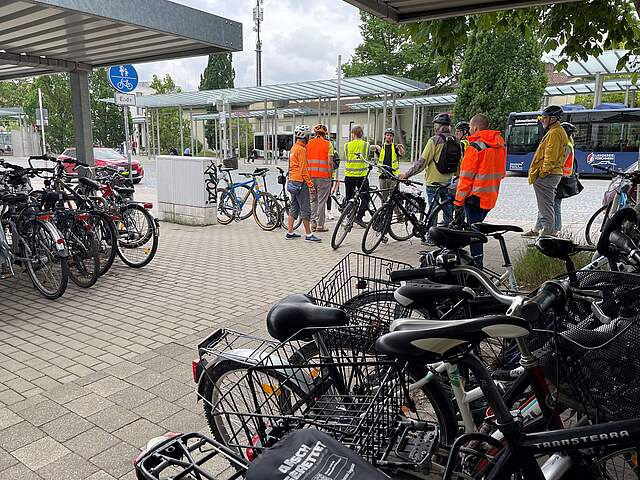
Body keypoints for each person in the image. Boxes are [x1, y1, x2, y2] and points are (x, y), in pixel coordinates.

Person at [453, 114, 507, 267]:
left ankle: (477, 268)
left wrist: (458, 201)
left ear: (475, 128)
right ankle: (474, 263)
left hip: (474, 198)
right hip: (490, 197)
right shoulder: (499, 145)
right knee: (476, 229)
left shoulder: (475, 146)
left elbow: (466, 178)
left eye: (470, 128)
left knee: (474, 235)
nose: (469, 130)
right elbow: (501, 172)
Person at [400, 113, 458, 220]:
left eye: (435, 125)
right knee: (448, 208)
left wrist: (406, 175)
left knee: (433, 209)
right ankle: (447, 230)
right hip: (448, 182)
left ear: (438, 126)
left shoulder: (434, 140)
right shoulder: (456, 140)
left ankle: (432, 233)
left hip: (433, 183)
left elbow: (422, 163)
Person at [523, 105, 568, 237]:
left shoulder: (555, 133)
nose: (542, 120)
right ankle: (546, 233)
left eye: (544, 118)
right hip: (551, 174)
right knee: (546, 205)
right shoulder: (556, 131)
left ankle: (547, 235)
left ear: (553, 118)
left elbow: (550, 156)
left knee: (546, 206)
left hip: (548, 175)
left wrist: (542, 173)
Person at [531, 122, 576, 235]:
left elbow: (558, 161)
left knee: (552, 205)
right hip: (560, 178)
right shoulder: (568, 144)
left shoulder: (567, 146)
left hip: (559, 179)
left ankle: (554, 230)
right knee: (548, 204)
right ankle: (541, 228)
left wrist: (543, 173)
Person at [286, 125, 321, 242]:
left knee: (294, 206)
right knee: (305, 209)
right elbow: (304, 170)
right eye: (308, 136)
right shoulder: (301, 150)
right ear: (304, 137)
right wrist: (310, 184)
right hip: (301, 182)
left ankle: (290, 232)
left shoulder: (294, 148)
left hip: (292, 181)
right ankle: (308, 234)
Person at [307, 124, 334, 232]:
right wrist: (330, 176)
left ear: (315, 133)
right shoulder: (328, 144)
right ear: (325, 134)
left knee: (313, 200)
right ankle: (320, 225)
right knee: (322, 201)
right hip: (324, 177)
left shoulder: (308, 144)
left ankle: (312, 223)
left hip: (310, 176)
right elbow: (330, 162)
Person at [343, 125, 370, 227]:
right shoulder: (366, 145)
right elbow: (366, 156)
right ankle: (359, 217)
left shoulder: (347, 145)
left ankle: (349, 217)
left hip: (349, 175)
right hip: (361, 176)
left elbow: (346, 157)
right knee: (365, 197)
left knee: (349, 197)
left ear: (353, 134)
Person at [375, 128, 405, 202]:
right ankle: (385, 213)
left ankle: (397, 213)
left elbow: (402, 154)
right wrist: (375, 147)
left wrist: (400, 148)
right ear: (385, 136)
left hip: (393, 176)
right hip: (383, 176)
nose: (389, 137)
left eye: (390, 135)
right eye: (387, 135)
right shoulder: (381, 147)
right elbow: (374, 150)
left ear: (392, 137)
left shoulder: (395, 147)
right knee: (384, 199)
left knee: (395, 198)